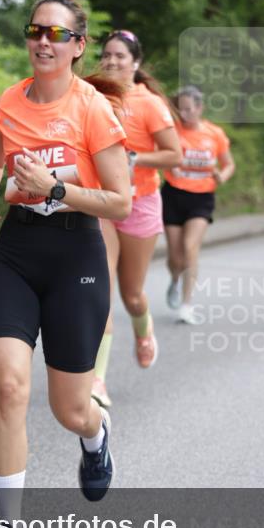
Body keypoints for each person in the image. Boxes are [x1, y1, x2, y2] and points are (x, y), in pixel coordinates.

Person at [0, 0, 131, 528]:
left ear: (78, 46)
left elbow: (120, 201)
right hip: (16, 251)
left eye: (57, 34)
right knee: (9, 386)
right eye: (36, 31)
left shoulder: (92, 108)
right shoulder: (7, 104)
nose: (43, 41)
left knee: (70, 409)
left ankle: (95, 433)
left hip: (75, 257)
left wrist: (56, 188)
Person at [90, 30, 181, 409]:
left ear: (136, 63)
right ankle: (97, 380)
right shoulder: (91, 95)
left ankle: (144, 332)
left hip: (141, 202)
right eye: (107, 55)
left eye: (120, 57)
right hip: (104, 202)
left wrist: (135, 160)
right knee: (100, 293)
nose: (111, 62)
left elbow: (173, 154)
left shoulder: (149, 104)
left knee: (131, 294)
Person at [162, 85, 235, 324]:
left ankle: (187, 305)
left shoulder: (214, 134)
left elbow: (228, 164)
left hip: (202, 198)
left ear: (200, 108)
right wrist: (169, 164)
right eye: (180, 109)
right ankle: (175, 280)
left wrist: (222, 176)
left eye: (189, 109)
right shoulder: (171, 131)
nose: (184, 114)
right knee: (175, 257)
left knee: (190, 246)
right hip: (174, 194)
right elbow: (158, 154)